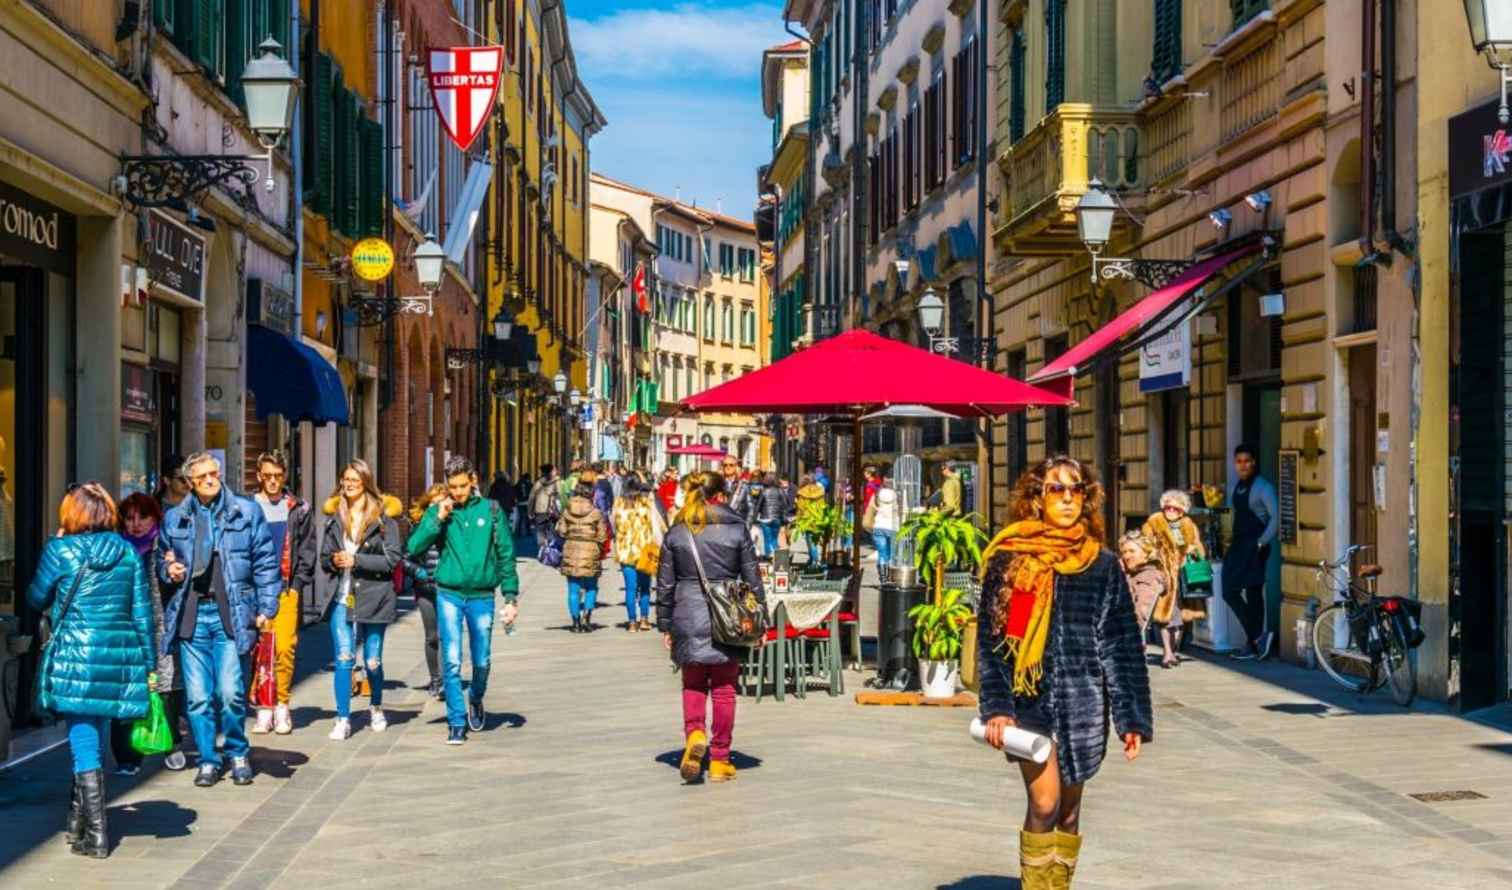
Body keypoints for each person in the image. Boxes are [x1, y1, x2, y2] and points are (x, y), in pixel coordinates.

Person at [976, 456, 1151, 888]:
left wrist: (1131, 719)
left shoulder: (1102, 565)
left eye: (1077, 490)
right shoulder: (1015, 560)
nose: (1069, 498)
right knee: (1045, 803)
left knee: (1070, 812)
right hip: (1028, 703)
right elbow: (999, 643)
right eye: (1057, 489)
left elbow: (1121, 643)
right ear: (1036, 499)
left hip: (1084, 707)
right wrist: (997, 707)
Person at [28, 483, 155, 858]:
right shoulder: (126, 552)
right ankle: (78, 822)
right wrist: (149, 665)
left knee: (83, 741)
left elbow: (36, 597)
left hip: (76, 656)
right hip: (119, 654)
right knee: (95, 736)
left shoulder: (59, 550)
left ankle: (98, 835)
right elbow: (142, 612)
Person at [159, 452, 280, 788]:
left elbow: (265, 564)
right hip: (192, 615)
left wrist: (267, 607)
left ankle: (237, 752)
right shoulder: (174, 519)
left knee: (230, 691)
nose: (211, 480)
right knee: (197, 697)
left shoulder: (246, 511)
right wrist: (169, 570)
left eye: (214, 473)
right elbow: (162, 563)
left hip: (232, 612)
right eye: (202, 477)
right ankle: (209, 760)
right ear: (190, 484)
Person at [657, 472, 763, 784]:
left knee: (692, 683)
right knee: (725, 689)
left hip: (687, 613)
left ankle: (694, 735)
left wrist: (665, 623)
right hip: (727, 614)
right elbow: (752, 577)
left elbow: (664, 584)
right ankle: (719, 759)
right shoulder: (736, 528)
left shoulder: (678, 531)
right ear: (720, 496)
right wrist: (761, 618)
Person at [407, 455, 520, 745]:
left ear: (472, 481)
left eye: (462, 486)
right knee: (453, 660)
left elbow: (506, 554)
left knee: (481, 660)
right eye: (452, 486)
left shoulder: (491, 511)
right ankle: (456, 721)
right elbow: (414, 546)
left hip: (482, 595)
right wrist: (436, 518)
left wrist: (510, 597)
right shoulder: (441, 512)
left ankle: (477, 698)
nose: (457, 492)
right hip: (449, 594)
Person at [314, 460, 402, 740]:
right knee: (344, 657)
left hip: (375, 597)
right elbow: (323, 558)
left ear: (365, 481)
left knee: (373, 660)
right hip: (343, 597)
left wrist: (357, 560)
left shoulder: (383, 519)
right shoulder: (333, 518)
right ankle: (343, 718)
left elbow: (392, 559)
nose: (349, 484)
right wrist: (333, 560)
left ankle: (376, 706)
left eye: (354, 479)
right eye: (345, 479)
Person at [109, 493, 185, 776]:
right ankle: (127, 756)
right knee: (125, 689)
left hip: (160, 625)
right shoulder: (117, 549)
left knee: (165, 688)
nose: (136, 524)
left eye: (143, 517)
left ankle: (171, 743)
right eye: (129, 518)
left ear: (155, 519)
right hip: (125, 628)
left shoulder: (164, 547)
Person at [248, 452, 314, 736]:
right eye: (267, 476)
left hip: (286, 588)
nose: (273, 481)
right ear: (258, 476)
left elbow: (308, 549)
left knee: (285, 647)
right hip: (255, 588)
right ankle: (264, 707)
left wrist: (298, 585)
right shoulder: (247, 507)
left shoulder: (298, 507)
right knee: (261, 649)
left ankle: (282, 704)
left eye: (278, 476)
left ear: (285, 476)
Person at [1142, 490, 1208, 669]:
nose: (1170, 511)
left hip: (1183, 577)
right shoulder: (1154, 523)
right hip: (1163, 576)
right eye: (1167, 507)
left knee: (1179, 619)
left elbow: (1199, 549)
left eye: (1175, 508)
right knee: (1166, 617)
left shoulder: (1188, 525)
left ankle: (1174, 650)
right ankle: (1167, 654)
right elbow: (1144, 546)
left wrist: (1191, 551)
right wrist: (1155, 556)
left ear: (1182, 511)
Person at [1224, 444, 1278, 661]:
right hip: (1239, 544)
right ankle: (1257, 637)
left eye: (1247, 461)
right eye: (1239, 461)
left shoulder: (1263, 487)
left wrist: (1261, 542)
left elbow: (1275, 517)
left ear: (1253, 462)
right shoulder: (1237, 487)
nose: (1243, 465)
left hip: (1255, 546)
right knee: (1229, 591)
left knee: (1254, 593)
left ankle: (1252, 642)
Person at [404, 484, 449, 698]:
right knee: (431, 636)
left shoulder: (450, 527)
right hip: (424, 588)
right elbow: (404, 557)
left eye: (441, 502)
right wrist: (418, 572)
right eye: (433, 502)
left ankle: (446, 680)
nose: (436, 507)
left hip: (445, 587)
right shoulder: (419, 527)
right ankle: (435, 679)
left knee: (445, 636)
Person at [612, 478, 665, 632]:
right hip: (644, 551)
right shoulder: (647, 504)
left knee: (630, 588)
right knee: (645, 587)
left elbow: (613, 525)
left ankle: (632, 623)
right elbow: (657, 527)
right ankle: (644, 620)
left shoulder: (618, 504)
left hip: (625, 552)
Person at [558, 480, 608, 633]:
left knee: (573, 589)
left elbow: (561, 531)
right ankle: (587, 619)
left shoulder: (567, 511)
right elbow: (602, 535)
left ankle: (575, 623)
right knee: (591, 586)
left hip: (571, 549)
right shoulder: (595, 512)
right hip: (590, 550)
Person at [1119, 531, 1166, 647]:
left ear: (1146, 553)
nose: (1126, 556)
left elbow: (1142, 610)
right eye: (1124, 552)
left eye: (1132, 551)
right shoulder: (1132, 574)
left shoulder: (1147, 576)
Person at [864, 477, 901, 574]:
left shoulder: (877, 494)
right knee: (892, 554)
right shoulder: (898, 495)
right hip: (893, 527)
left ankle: (883, 577)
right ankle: (891, 575)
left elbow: (872, 507)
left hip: (879, 525)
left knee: (882, 553)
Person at [793, 474, 827, 564]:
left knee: (810, 540)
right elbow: (822, 505)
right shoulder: (820, 491)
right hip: (818, 518)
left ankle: (814, 560)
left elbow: (801, 507)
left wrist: (798, 518)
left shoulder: (802, 492)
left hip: (806, 519)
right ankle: (812, 559)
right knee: (815, 540)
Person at [755, 471, 789, 557]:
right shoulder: (780, 491)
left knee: (767, 539)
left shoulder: (763, 491)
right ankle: (775, 558)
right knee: (774, 539)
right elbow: (785, 505)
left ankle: (769, 557)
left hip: (765, 518)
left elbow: (758, 505)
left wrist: (755, 517)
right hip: (777, 518)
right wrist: (784, 517)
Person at [529, 464, 561, 553]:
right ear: (551, 471)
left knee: (540, 531)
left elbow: (531, 498)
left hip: (540, 510)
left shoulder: (538, 483)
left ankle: (542, 550)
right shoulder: (557, 482)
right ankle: (552, 550)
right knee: (552, 530)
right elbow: (561, 497)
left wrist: (530, 512)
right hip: (553, 511)